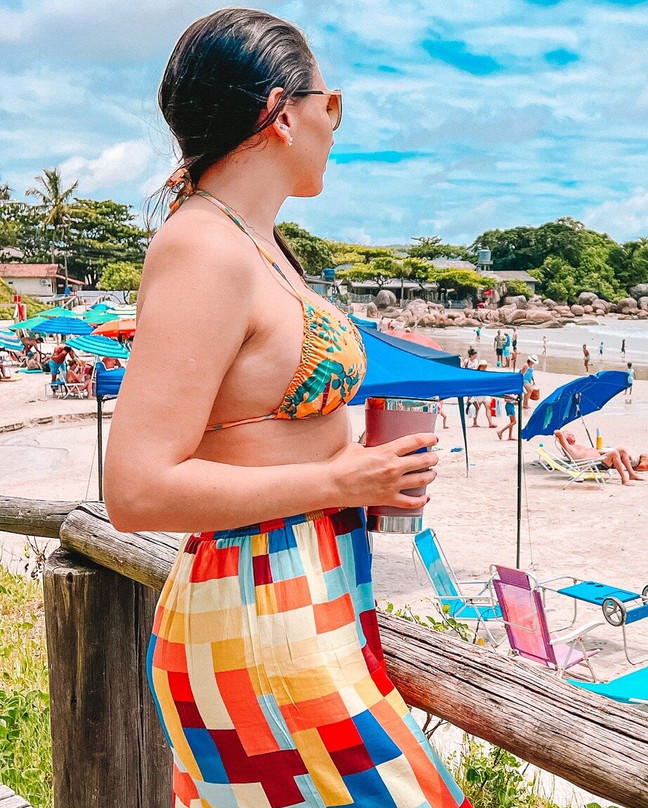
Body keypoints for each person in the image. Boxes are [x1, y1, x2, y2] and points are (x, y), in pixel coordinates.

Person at [102, 11, 465, 808]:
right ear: (281, 110)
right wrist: (343, 482)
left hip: (304, 595)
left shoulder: (254, 240)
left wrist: (350, 476)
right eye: (329, 105)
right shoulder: (205, 247)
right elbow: (134, 491)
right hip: (261, 606)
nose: (334, 127)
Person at [555, 429, 643, 485]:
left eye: (572, 433)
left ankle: (632, 474)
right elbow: (558, 433)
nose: (572, 434)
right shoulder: (570, 448)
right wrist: (560, 435)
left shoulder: (579, 446)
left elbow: (595, 451)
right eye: (569, 435)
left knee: (622, 450)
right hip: (593, 464)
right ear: (566, 440)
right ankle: (624, 479)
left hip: (599, 459)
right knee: (615, 453)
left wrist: (607, 451)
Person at [470, 359, 494, 426]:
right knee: (477, 408)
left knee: (488, 406)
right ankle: (475, 422)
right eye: (483, 366)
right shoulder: (476, 374)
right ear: (480, 366)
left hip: (485, 393)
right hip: (478, 393)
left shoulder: (486, 373)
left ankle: (490, 422)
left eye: (485, 366)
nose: (484, 367)